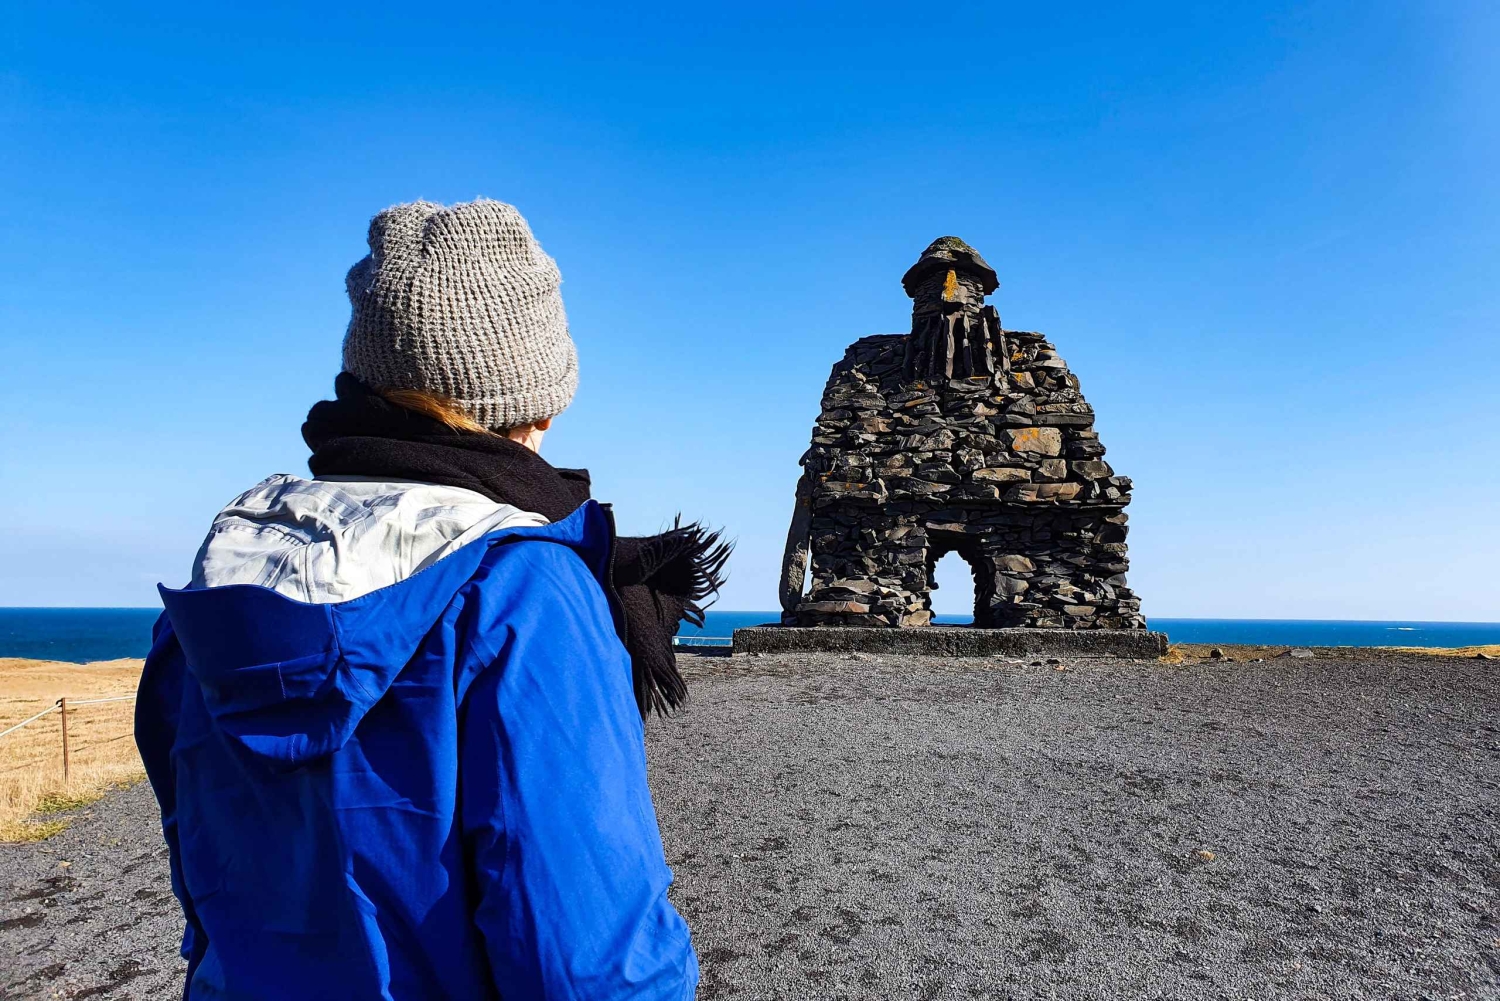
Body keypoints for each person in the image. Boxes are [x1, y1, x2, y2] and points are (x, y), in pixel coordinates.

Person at [135, 198, 723, 1000]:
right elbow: (588, 964)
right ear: (541, 400)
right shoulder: (520, 588)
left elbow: (203, 872)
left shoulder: (224, 576)